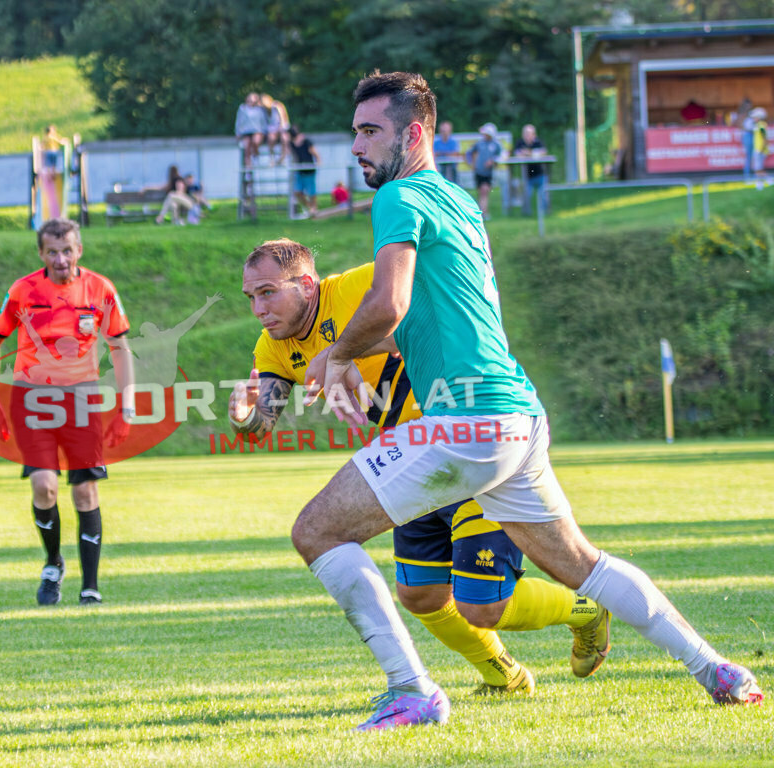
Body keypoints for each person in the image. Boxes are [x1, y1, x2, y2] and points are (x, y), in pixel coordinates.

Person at [294, 70, 763, 730]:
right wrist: (353, 353)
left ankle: (412, 691)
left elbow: (390, 301)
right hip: (518, 415)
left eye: (370, 131)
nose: (357, 146)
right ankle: (717, 669)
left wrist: (339, 354)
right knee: (581, 565)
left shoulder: (400, 196)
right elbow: (424, 315)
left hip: (465, 422)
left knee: (316, 531)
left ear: (414, 133)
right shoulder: (459, 201)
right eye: (356, 133)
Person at [231, 238, 613, 702]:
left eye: (268, 292)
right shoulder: (272, 348)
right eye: (251, 297)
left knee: (484, 604)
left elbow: (443, 306)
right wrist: (244, 416)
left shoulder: (358, 288)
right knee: (422, 595)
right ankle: (505, 676)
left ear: (307, 285)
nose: (259, 309)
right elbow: (261, 423)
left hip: (466, 442)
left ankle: (585, 609)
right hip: (409, 462)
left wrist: (352, 349)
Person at [0, 218, 135, 606]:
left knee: (85, 491)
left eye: (67, 250)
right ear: (41, 253)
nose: (61, 259)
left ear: (79, 250)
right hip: (31, 397)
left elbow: (120, 348)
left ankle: (90, 587)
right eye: (52, 252)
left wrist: (126, 408)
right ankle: (53, 564)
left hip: (81, 398)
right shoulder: (23, 290)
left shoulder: (100, 289)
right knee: (44, 486)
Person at [465, 122, 503, 220]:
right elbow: (468, 153)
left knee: (484, 191)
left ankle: (483, 213)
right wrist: (471, 164)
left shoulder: (496, 145)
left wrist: (493, 161)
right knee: (481, 193)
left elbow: (501, 155)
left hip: (488, 172)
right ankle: (483, 213)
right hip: (478, 172)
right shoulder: (479, 144)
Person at [513, 124, 548, 216]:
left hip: (540, 174)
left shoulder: (538, 142)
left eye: (529, 134)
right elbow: (517, 153)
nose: (527, 136)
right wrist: (532, 153)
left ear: (534, 134)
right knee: (526, 195)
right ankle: (526, 214)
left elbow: (544, 152)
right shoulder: (520, 143)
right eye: (525, 134)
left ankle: (544, 214)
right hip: (527, 176)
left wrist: (529, 153)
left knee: (543, 195)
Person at [288, 127, 320, 217]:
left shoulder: (306, 141)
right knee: (297, 192)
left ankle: (314, 208)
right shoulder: (291, 143)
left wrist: (318, 162)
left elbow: (314, 153)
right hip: (299, 170)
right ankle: (310, 207)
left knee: (311, 192)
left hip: (309, 169)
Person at [234, 93, 269, 167]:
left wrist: (265, 132)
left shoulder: (260, 109)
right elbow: (239, 121)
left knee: (255, 142)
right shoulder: (243, 108)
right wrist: (238, 132)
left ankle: (255, 156)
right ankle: (248, 168)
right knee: (247, 148)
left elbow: (264, 121)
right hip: (246, 132)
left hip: (258, 131)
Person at [261, 93, 291, 164]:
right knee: (271, 138)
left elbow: (284, 120)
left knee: (285, 138)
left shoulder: (277, 106)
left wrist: (281, 129)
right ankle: (272, 157)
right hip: (271, 131)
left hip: (281, 129)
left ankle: (283, 157)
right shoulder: (263, 110)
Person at [749, 107, 769, 186]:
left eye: (755, 117)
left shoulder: (761, 125)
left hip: (760, 149)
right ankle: (760, 182)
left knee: (758, 168)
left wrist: (762, 149)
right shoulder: (757, 125)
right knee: (757, 167)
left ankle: (766, 180)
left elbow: (764, 137)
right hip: (757, 148)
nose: (753, 119)